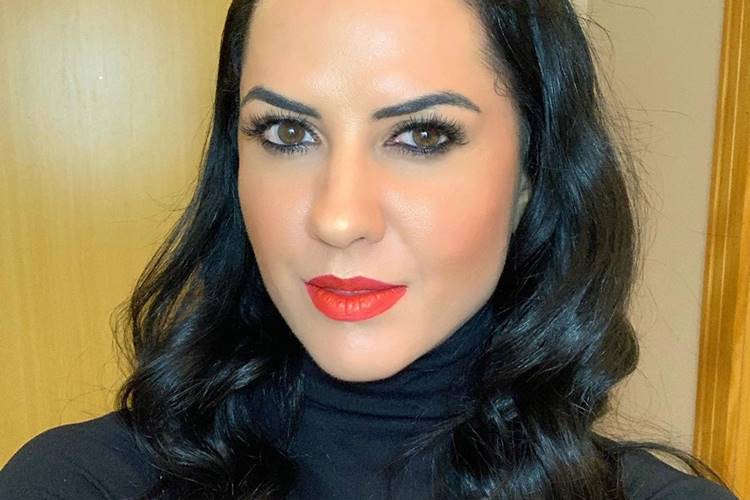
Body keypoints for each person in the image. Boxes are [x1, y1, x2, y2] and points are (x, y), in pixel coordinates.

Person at [0, 0, 739, 499]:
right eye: (288, 132)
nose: (339, 217)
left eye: (422, 134)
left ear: (531, 173)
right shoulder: (76, 483)